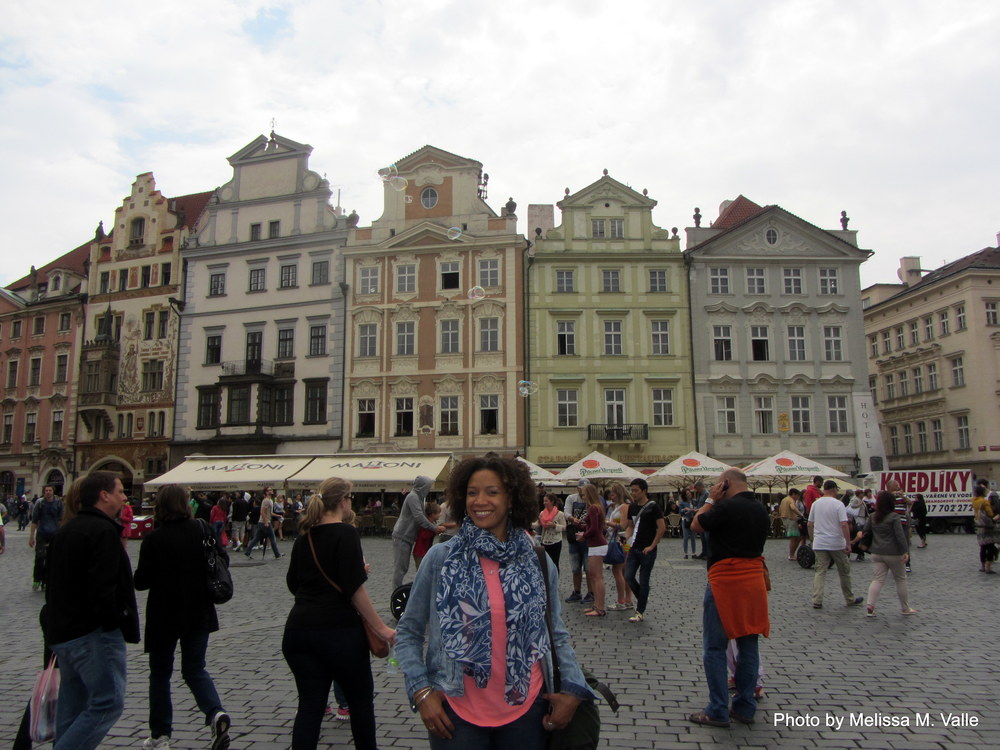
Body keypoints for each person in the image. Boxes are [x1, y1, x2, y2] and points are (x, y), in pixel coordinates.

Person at [394, 454, 591, 748]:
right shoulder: (441, 559)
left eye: (492, 492)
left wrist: (575, 690)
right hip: (455, 716)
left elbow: (555, 633)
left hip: (526, 712)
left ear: (512, 498)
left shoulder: (536, 559)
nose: (479, 501)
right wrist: (420, 691)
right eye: (472, 492)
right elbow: (407, 633)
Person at [282, 477, 396, 750]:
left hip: (298, 632)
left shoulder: (304, 537)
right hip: (338, 634)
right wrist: (382, 628)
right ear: (344, 502)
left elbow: (293, 584)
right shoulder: (346, 533)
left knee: (309, 706)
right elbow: (355, 591)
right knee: (360, 702)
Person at [44, 471, 140, 750]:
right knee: (107, 703)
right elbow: (104, 589)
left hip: (64, 634)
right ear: (104, 495)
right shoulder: (103, 532)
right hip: (93, 635)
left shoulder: (66, 531)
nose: (124, 497)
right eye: (120, 491)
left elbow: (54, 587)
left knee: (71, 709)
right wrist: (115, 621)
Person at [133, 485, 232, 750]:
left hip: (163, 613)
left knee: (160, 674)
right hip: (198, 611)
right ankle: (215, 712)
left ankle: (160, 735)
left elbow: (141, 581)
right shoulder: (201, 529)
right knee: (194, 668)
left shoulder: (154, 538)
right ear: (185, 503)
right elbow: (222, 559)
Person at [688, 469, 770, 728]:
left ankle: (717, 709)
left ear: (725, 484)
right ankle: (745, 706)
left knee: (714, 646)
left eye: (717, 484)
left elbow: (696, 524)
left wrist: (710, 499)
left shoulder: (725, 508)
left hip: (726, 580)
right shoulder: (760, 509)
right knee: (748, 644)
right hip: (754, 580)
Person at [808, 480, 864, 609]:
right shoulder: (838, 504)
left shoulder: (815, 504)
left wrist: (812, 540)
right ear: (833, 489)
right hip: (836, 543)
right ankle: (849, 598)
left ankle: (817, 599)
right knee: (844, 571)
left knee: (820, 571)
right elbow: (844, 524)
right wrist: (848, 542)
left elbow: (810, 524)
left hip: (820, 542)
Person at [860, 490, 916, 617]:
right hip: (894, 553)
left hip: (876, 552)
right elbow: (900, 536)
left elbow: (866, 531)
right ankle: (905, 608)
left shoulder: (873, 516)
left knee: (877, 580)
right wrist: (905, 551)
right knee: (900, 579)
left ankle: (870, 605)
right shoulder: (894, 517)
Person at [622, 478, 666, 623]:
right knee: (628, 576)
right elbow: (630, 526)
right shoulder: (632, 507)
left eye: (636, 491)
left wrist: (652, 545)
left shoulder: (653, 507)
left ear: (644, 491)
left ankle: (640, 611)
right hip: (634, 548)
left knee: (644, 579)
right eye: (632, 490)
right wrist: (626, 538)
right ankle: (643, 597)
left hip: (648, 549)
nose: (633, 493)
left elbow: (661, 528)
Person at [392, 476, 444, 588]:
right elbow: (419, 517)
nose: (429, 489)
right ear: (422, 487)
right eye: (428, 487)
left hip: (407, 537)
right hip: (402, 535)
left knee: (403, 567)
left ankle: (397, 590)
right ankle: (396, 592)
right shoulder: (413, 497)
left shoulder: (418, 498)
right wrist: (434, 528)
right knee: (401, 567)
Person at [577, 483, 607, 617]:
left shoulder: (594, 508)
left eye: (583, 494)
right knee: (593, 576)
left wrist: (584, 535)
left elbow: (594, 528)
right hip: (594, 544)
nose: (582, 496)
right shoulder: (595, 507)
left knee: (597, 576)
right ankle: (596, 604)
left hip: (597, 544)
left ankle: (600, 607)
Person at [562, 479, 593, 604]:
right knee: (575, 567)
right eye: (581, 489)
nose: (582, 491)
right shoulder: (571, 498)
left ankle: (591, 592)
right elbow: (566, 511)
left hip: (587, 537)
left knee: (588, 567)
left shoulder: (592, 500)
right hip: (574, 536)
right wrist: (571, 518)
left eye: (585, 489)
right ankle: (577, 591)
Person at [29, 485, 64, 591]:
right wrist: (31, 536)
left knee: (51, 559)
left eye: (50, 490)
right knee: (40, 557)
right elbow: (34, 520)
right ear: (44, 492)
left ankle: (46, 581)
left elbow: (61, 520)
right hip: (42, 533)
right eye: (46, 490)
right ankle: (36, 579)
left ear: (53, 492)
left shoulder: (58, 503)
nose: (48, 492)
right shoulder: (40, 503)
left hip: (54, 534)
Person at [604, 482, 633, 610]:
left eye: (613, 494)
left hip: (622, 541)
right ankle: (627, 599)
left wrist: (607, 523)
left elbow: (622, 525)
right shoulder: (618, 507)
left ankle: (621, 600)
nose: (611, 496)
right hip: (622, 540)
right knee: (624, 571)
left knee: (618, 570)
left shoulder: (624, 507)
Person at [244, 487, 283, 559]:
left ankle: (247, 552)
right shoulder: (266, 501)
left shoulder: (270, 500)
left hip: (262, 522)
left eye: (271, 490)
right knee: (272, 538)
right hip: (265, 522)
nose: (271, 491)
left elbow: (270, 512)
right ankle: (277, 554)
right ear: (266, 492)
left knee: (256, 538)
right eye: (269, 490)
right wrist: (266, 522)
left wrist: (278, 515)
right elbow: (262, 512)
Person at [533, 493, 566, 569]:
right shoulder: (542, 513)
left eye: (546, 501)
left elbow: (564, 527)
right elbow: (537, 524)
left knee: (554, 563)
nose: (544, 503)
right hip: (545, 541)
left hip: (555, 541)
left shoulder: (559, 514)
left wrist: (554, 526)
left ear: (552, 502)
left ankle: (555, 579)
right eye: (544, 501)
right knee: (545, 564)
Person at [972, 485, 998, 573]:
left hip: (979, 526)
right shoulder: (985, 501)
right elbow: (990, 514)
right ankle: (988, 567)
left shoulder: (974, 501)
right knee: (990, 546)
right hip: (987, 526)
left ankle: (982, 566)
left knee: (982, 547)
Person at [413, 501, 442, 569]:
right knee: (421, 570)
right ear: (432, 514)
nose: (439, 515)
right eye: (438, 513)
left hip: (425, 551)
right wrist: (435, 531)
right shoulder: (426, 523)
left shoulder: (432, 523)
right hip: (420, 552)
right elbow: (424, 536)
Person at [778, 489, 804, 560]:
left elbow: (779, 510)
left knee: (797, 538)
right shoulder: (791, 500)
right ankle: (791, 555)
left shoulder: (784, 500)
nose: (797, 497)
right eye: (797, 495)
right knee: (794, 538)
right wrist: (800, 515)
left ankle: (792, 554)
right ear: (793, 494)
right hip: (791, 520)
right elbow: (793, 507)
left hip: (785, 519)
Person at [846, 491, 870, 561]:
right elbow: (852, 506)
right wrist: (860, 504)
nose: (863, 495)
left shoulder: (862, 500)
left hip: (862, 518)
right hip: (858, 518)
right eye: (862, 493)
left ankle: (860, 553)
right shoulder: (856, 499)